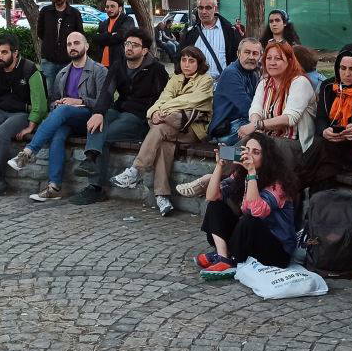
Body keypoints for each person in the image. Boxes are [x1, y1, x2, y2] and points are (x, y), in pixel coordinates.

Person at [69, 28, 169, 205]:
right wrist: (98, 113)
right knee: (95, 122)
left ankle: (95, 186)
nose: (129, 48)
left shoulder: (156, 69)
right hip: (119, 109)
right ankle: (90, 160)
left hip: (139, 116)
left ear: (144, 50)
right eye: (127, 44)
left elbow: (164, 98)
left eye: (135, 45)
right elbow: (107, 92)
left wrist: (154, 116)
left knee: (105, 134)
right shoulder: (118, 65)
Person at [114, 46, 214, 215]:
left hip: (192, 129)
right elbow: (163, 97)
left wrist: (165, 110)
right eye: (183, 60)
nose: (186, 64)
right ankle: (162, 197)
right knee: (163, 142)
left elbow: (191, 101)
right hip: (169, 128)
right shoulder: (176, 78)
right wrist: (154, 113)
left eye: (191, 61)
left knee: (165, 123)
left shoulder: (206, 80)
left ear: (199, 63)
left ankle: (136, 170)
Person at [11, 31, 107, 202]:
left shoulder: (99, 70)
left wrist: (78, 101)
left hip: (90, 118)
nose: (72, 47)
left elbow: (104, 102)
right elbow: (53, 101)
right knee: (58, 134)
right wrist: (57, 104)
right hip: (67, 119)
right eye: (69, 44)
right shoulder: (62, 73)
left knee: (63, 111)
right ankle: (54, 187)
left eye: (76, 43)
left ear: (86, 46)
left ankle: (27, 152)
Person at [196, 135, 301, 279]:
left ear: (267, 158)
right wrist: (219, 166)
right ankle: (223, 257)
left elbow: (256, 211)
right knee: (216, 206)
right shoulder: (240, 173)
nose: (249, 156)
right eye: (247, 150)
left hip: (277, 251)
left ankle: (232, 258)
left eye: (256, 152)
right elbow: (211, 196)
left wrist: (252, 173)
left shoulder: (278, 184)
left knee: (249, 220)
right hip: (252, 241)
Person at [0, 34, 48, 195]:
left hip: (22, 112)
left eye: (4, 52)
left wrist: (31, 125)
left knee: (2, 131)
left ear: (15, 53)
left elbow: (40, 103)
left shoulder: (29, 69)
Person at [297, 44, 352, 192]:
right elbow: (321, 118)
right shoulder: (328, 87)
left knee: (322, 149)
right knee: (325, 155)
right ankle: (317, 198)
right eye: (343, 68)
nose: (347, 73)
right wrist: (324, 130)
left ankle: (295, 185)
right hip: (330, 145)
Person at [240, 41, 317, 150]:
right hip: (266, 138)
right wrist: (254, 125)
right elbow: (255, 110)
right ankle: (221, 159)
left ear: (290, 61)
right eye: (269, 58)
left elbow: (290, 118)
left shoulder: (299, 82)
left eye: (278, 59)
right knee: (231, 152)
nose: (272, 63)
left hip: (293, 142)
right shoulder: (264, 83)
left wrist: (257, 125)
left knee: (253, 152)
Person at [208, 37, 263, 145]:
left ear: (260, 56)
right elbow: (246, 106)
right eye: (247, 52)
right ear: (238, 54)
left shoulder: (253, 73)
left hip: (243, 121)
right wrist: (264, 122)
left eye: (255, 53)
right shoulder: (231, 73)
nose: (251, 57)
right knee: (263, 137)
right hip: (226, 129)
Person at [178, 0, 241, 78]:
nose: (204, 12)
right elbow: (179, 57)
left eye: (208, 8)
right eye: (201, 8)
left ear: (215, 9)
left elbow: (237, 59)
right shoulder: (190, 33)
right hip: (196, 83)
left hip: (222, 82)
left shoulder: (230, 31)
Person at [36, 0, 84, 92]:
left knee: (68, 89)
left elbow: (79, 35)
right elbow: (40, 32)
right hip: (49, 59)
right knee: (49, 90)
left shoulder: (74, 13)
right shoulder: (45, 11)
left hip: (68, 60)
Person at [92, 0, 135, 69]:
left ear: (120, 8)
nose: (109, 9)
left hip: (119, 64)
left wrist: (104, 37)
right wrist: (111, 35)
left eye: (112, 6)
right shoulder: (103, 24)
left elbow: (120, 36)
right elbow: (96, 39)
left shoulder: (127, 20)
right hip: (101, 65)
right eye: (107, 7)